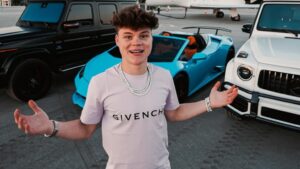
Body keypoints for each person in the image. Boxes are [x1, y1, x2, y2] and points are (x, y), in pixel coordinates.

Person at [14, 5, 238, 169]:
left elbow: (174, 113)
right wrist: (50, 127)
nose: (136, 43)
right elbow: (85, 128)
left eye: (144, 35)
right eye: (128, 36)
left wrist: (210, 103)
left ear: (152, 39)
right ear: (117, 40)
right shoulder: (101, 82)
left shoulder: (163, 77)